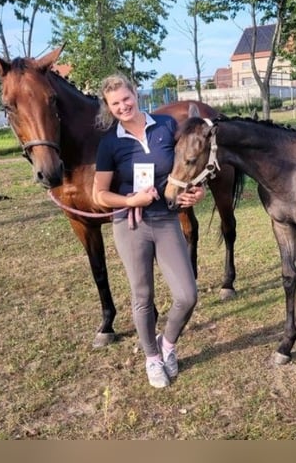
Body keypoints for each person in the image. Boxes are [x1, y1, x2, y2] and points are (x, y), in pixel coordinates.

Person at [92, 73, 204, 389]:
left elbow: (187, 169)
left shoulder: (167, 126)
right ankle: (152, 359)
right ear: (109, 107)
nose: (123, 106)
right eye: (115, 104)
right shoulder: (109, 143)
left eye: (126, 98)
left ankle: (167, 345)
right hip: (130, 225)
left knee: (187, 294)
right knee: (143, 296)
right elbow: (99, 194)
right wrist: (131, 199)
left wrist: (197, 192)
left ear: (135, 94)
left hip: (167, 219)